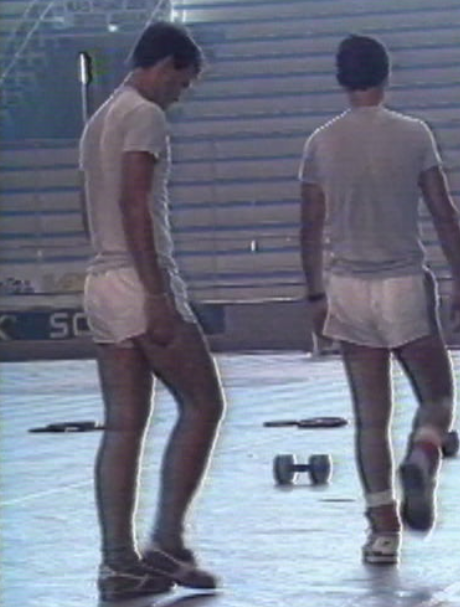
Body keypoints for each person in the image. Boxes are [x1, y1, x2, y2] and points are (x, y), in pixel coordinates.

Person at [299, 34, 460, 565]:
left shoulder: (321, 143)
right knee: (437, 395)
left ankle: (381, 532)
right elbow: (444, 213)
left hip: (347, 287)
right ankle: (422, 452)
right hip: (402, 281)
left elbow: (309, 226)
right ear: (386, 74)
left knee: (370, 417)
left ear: (340, 77)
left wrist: (314, 295)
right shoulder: (414, 134)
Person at [79, 22, 225, 601]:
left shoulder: (99, 119)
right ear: (164, 65)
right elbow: (135, 203)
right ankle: (165, 538)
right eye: (181, 84)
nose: (179, 96)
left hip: (101, 280)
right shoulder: (144, 115)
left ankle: (118, 562)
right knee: (203, 402)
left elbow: (88, 208)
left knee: (122, 425)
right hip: (140, 283)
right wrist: (158, 293)